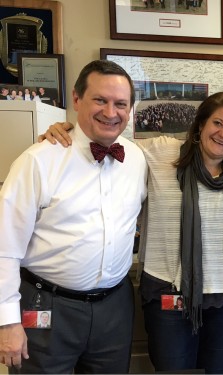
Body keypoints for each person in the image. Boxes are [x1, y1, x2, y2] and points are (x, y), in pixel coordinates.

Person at [41, 92, 223, 374]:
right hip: (168, 294)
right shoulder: (162, 152)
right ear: (200, 124)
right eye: (217, 122)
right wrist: (69, 128)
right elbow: (109, 135)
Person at [0, 59, 147, 373]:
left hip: (115, 308)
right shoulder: (38, 161)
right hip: (46, 306)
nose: (111, 112)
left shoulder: (136, 158)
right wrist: (7, 322)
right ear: (77, 99)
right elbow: (5, 248)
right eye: (100, 100)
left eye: (121, 104)